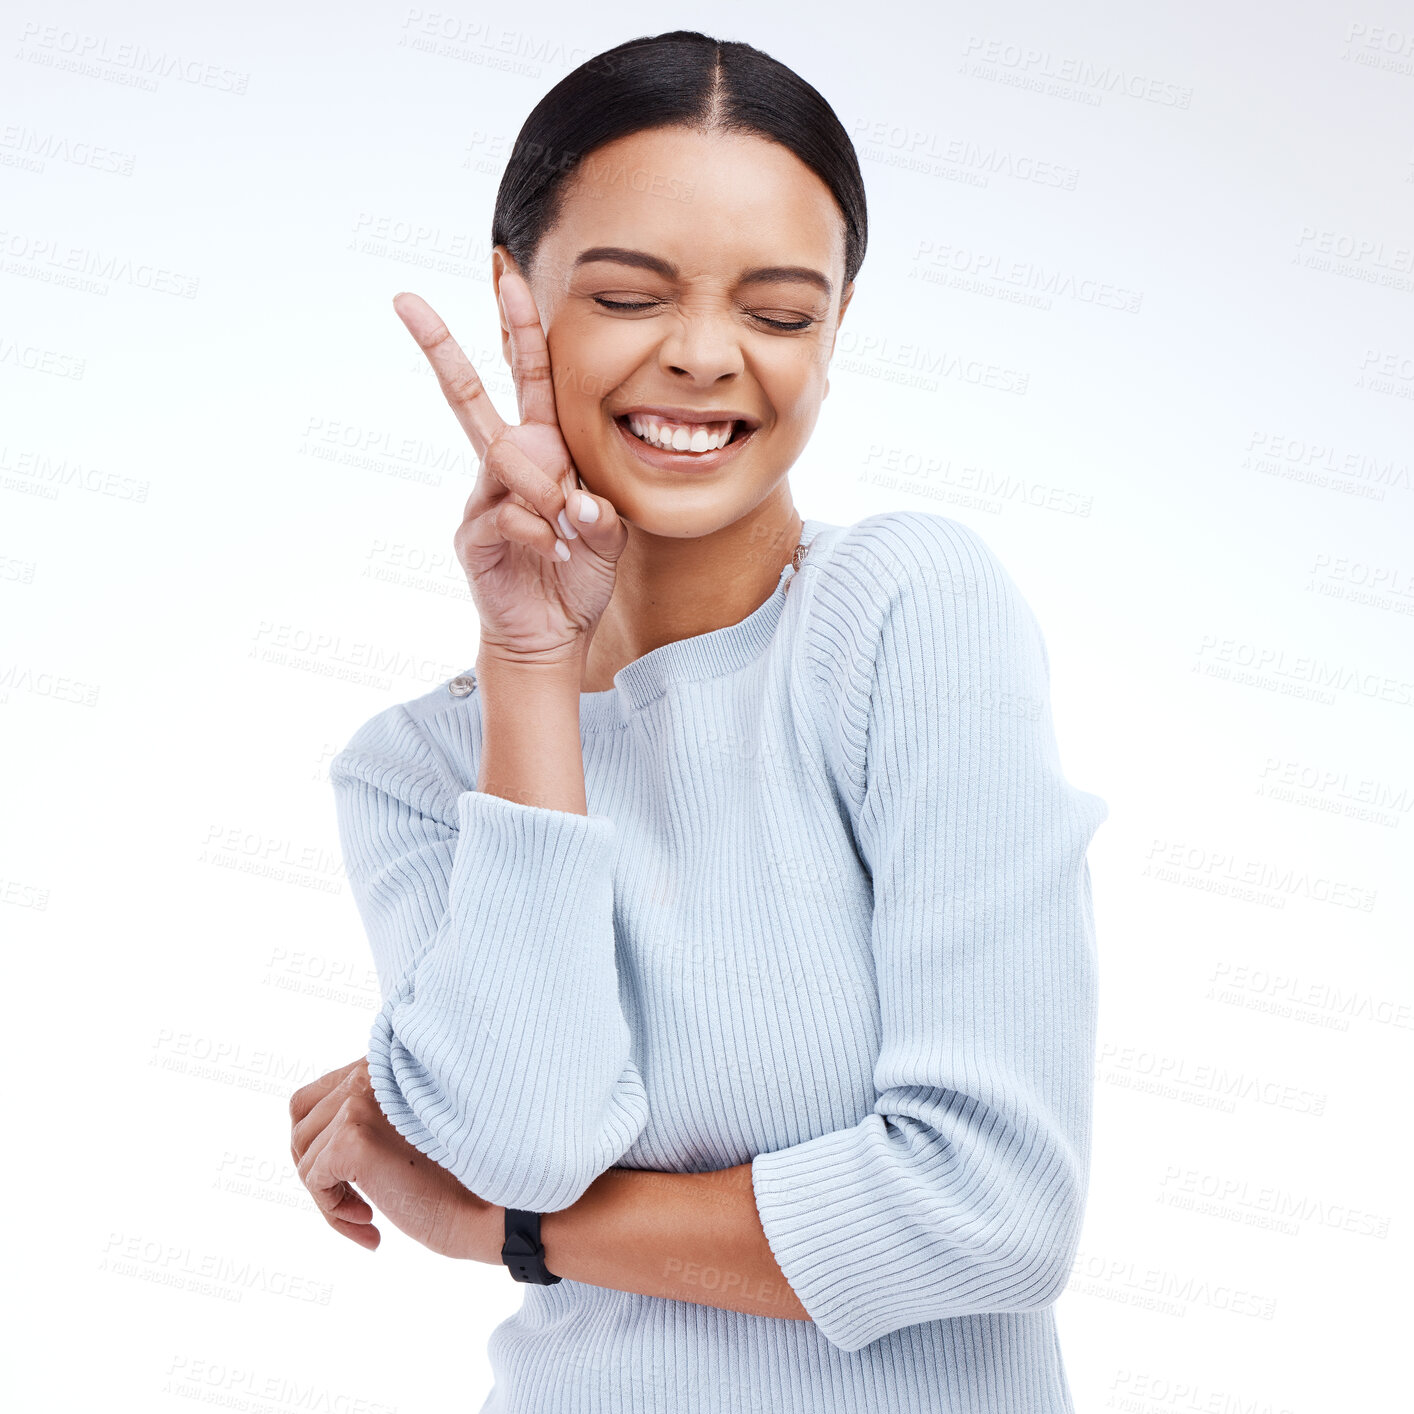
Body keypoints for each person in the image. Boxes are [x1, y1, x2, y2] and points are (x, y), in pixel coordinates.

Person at [288, 28, 1108, 1414]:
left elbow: (994, 1206)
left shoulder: (903, 613)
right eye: (627, 294)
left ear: (836, 333)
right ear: (516, 293)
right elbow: (531, 1133)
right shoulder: (416, 771)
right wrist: (530, 662)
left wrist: (510, 1236)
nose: (705, 357)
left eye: (781, 313)